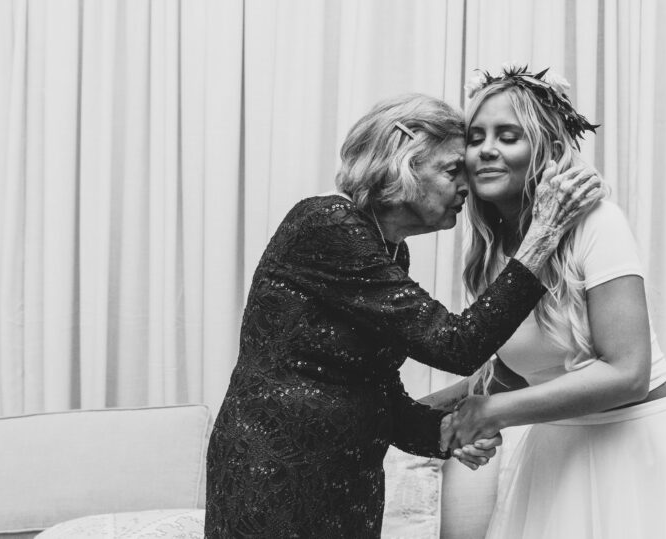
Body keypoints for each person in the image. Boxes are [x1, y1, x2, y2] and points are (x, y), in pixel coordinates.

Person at [204, 93, 600, 538]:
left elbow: (379, 397)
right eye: (453, 171)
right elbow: (457, 345)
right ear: (405, 161)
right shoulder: (327, 224)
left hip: (347, 485)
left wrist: (447, 434)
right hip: (275, 478)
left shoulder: (390, 249)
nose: (466, 189)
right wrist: (542, 237)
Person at [428, 66, 666, 538]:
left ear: (551, 151)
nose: (487, 150)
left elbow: (628, 372)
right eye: (476, 137)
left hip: (639, 452)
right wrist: (404, 410)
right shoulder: (493, 251)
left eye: (508, 136)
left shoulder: (597, 222)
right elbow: (522, 370)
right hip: (557, 460)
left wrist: (491, 413)